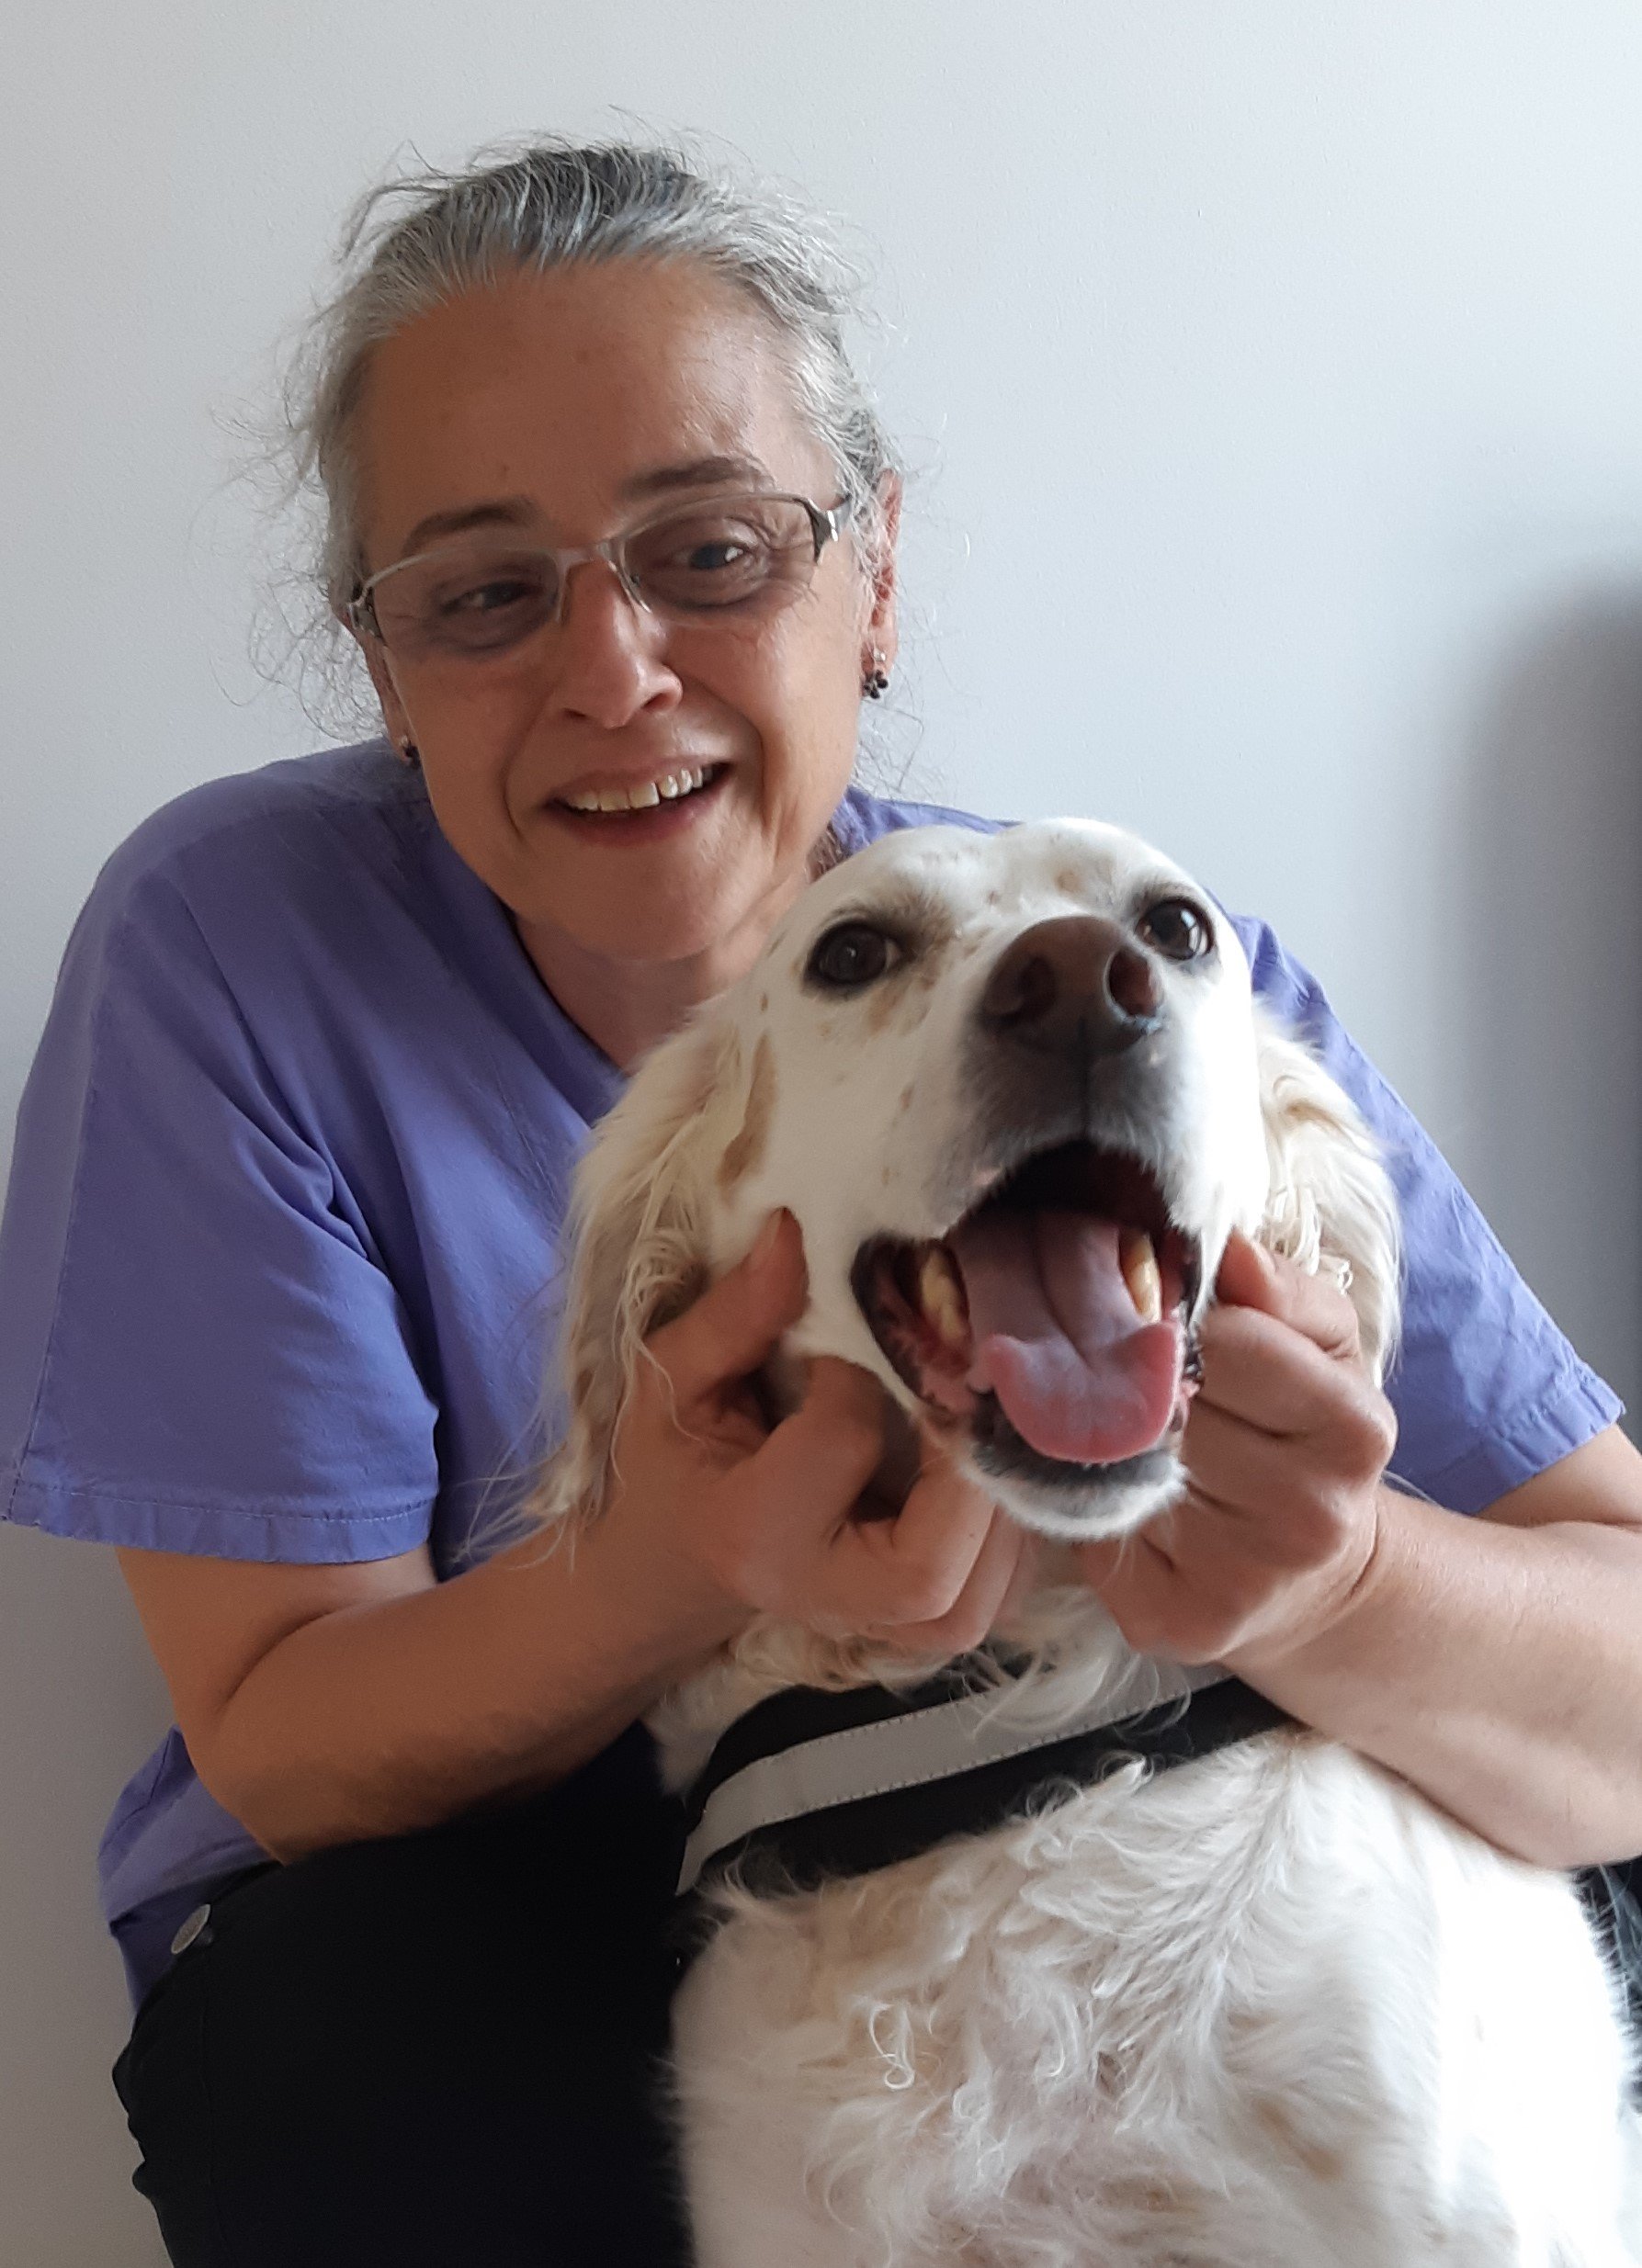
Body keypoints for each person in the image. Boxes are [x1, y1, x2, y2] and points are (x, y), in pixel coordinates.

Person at [3, 139, 1640, 2268]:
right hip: (494, 1864)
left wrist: (1336, 1591)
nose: (614, 671)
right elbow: (291, 1733)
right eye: (488, 593)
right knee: (373, 2065)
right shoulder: (231, 944)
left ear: (872, 578)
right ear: (383, 664)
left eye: (712, 548)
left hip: (1121, 1793)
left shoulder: (1160, 978)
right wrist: (673, 1564)